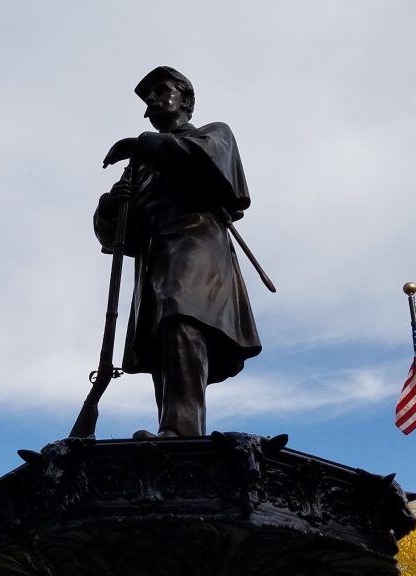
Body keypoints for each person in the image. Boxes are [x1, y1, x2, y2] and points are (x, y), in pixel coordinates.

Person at [95, 66, 261, 438]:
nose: (151, 101)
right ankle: (174, 426)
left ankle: (181, 430)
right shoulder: (141, 166)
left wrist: (141, 144)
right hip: (154, 257)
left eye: (160, 91)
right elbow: (117, 235)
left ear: (185, 99)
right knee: (161, 339)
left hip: (195, 245)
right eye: (146, 98)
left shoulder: (213, 134)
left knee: (179, 317)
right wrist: (111, 205)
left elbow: (211, 167)